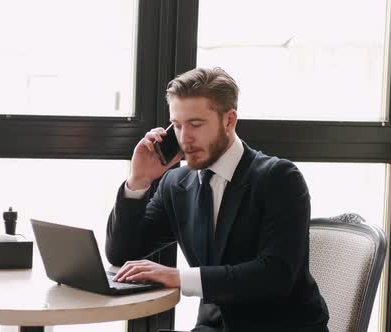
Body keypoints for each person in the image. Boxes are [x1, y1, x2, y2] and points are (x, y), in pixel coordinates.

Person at [105, 67, 329, 331]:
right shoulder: (176, 184)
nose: (185, 138)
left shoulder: (279, 178)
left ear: (229, 120)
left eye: (196, 125)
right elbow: (122, 253)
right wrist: (138, 181)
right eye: (177, 125)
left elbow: (275, 275)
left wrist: (178, 277)